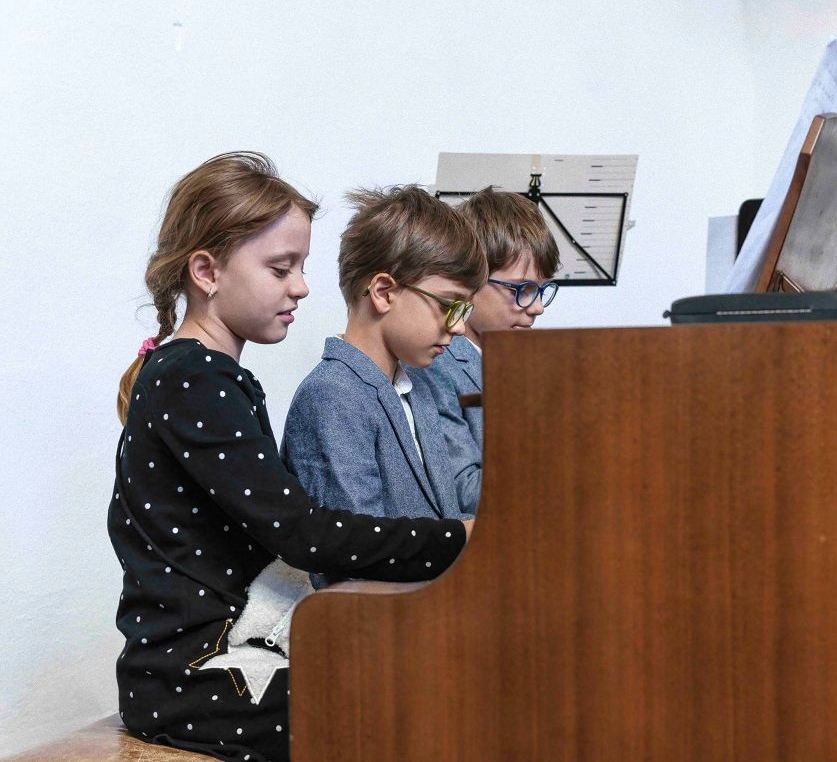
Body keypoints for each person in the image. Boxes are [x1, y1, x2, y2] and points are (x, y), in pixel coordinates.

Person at [109, 153, 470, 762]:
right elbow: (305, 535)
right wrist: (460, 538)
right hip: (193, 676)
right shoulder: (192, 380)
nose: (301, 286)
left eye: (301, 266)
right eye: (281, 268)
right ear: (207, 271)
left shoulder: (206, 375)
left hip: (228, 654)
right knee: (423, 702)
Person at [282, 188, 486, 569]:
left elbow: (445, 518)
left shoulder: (417, 388)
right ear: (383, 292)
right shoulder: (332, 397)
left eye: (465, 310)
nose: (459, 327)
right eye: (449, 305)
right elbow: (352, 561)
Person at [413, 187, 560, 514]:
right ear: (470, 282)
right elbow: (463, 491)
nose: (537, 307)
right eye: (522, 289)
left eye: (542, 290)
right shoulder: (435, 367)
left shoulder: (523, 361)